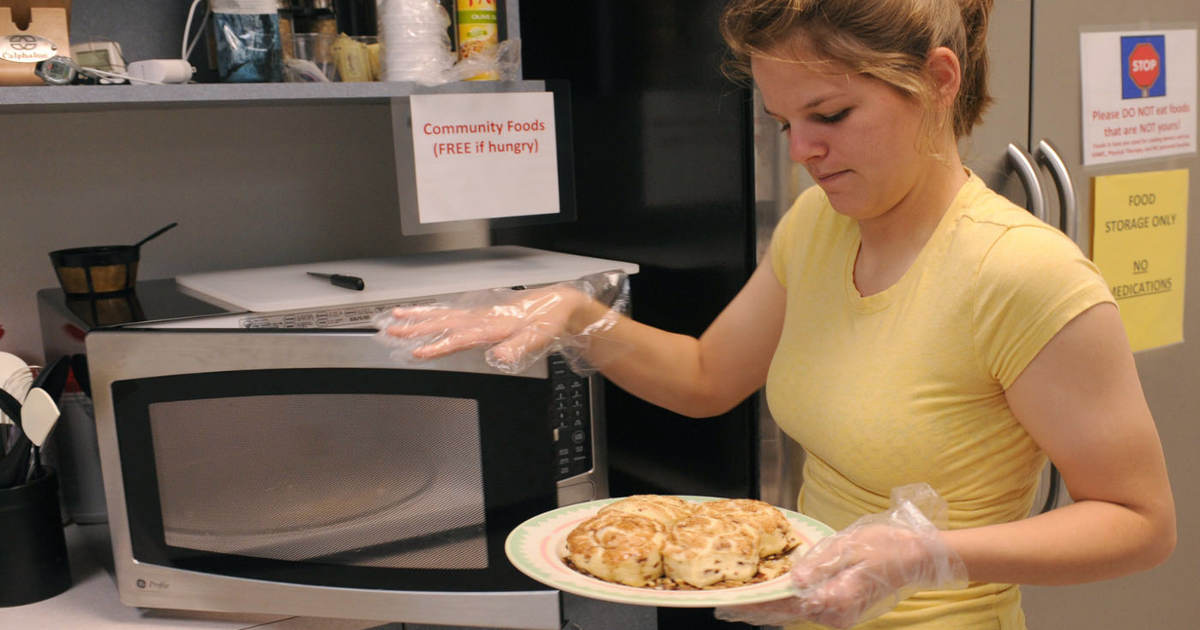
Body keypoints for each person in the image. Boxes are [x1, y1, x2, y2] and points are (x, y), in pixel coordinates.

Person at [377, 0, 1177, 627]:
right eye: (784, 122)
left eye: (830, 116)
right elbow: (707, 377)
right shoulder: (818, 224)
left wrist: (924, 558)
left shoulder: (1025, 275)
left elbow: (1139, 522)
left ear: (939, 80)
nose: (802, 151)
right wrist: (578, 317)